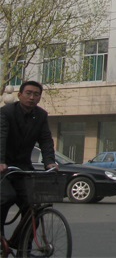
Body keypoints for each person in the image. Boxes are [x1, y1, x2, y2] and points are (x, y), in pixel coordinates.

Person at [0, 81, 59, 245]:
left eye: (36, 94)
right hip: (3, 167)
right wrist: (0, 161)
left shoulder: (41, 115)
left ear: (39, 97)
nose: (32, 97)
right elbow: (1, 136)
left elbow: (46, 140)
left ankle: (22, 247)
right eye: (28, 93)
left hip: (22, 168)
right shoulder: (6, 113)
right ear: (19, 95)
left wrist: (50, 162)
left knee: (33, 206)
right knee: (6, 197)